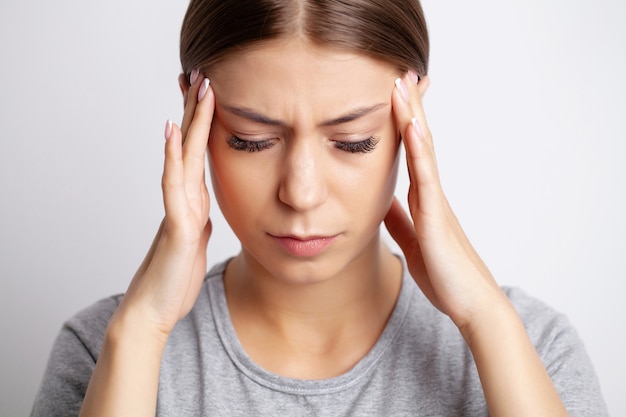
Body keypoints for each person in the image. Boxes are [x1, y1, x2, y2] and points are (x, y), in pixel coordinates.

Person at [31, 0, 608, 416]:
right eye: (251, 140)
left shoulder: (533, 347)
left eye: (353, 140)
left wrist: (486, 321)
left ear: (413, 121)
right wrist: (141, 333)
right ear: (194, 119)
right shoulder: (104, 350)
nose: (301, 193)